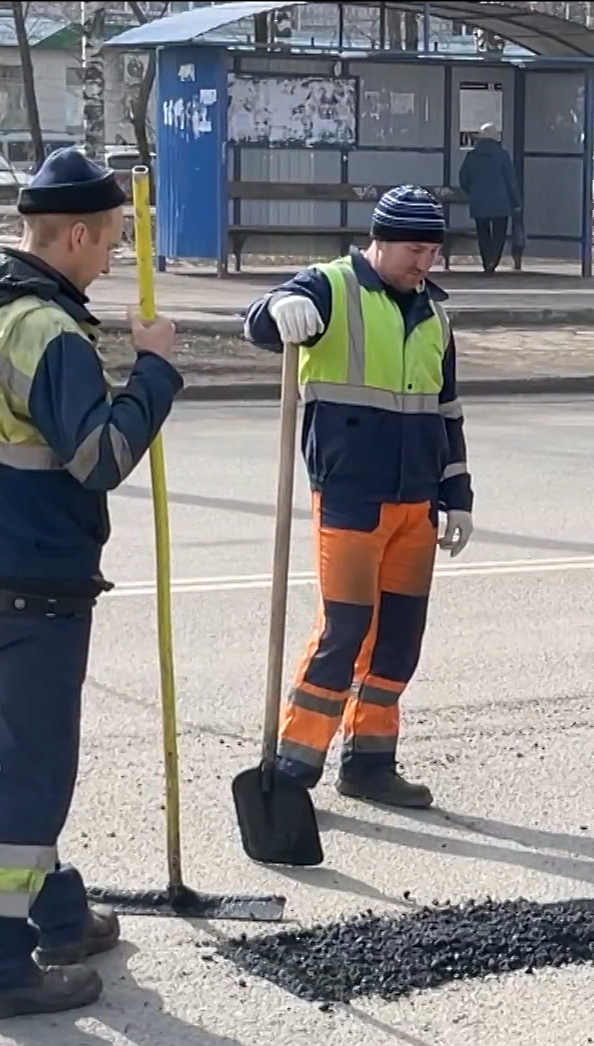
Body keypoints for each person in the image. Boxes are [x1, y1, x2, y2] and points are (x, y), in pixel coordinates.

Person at [0, 147, 186, 1020]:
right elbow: (100, 458)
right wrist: (155, 374)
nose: (111, 260)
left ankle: (56, 912)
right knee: (28, 776)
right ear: (72, 235)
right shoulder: (47, 334)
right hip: (34, 582)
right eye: (109, 241)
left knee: (10, 765)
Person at [241, 184, 474, 811]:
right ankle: (292, 769)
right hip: (350, 499)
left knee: (399, 639)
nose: (424, 263)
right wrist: (279, 309)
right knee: (344, 632)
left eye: (432, 251)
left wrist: (459, 494)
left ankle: (370, 761)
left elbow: (446, 412)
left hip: (417, 506)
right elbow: (260, 322)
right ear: (380, 239)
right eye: (413, 249)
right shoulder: (331, 287)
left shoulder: (435, 315)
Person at [457, 122, 521, 274]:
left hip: (479, 201)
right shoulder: (502, 155)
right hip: (501, 201)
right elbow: (510, 180)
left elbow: (463, 178)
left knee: (483, 233)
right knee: (499, 233)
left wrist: (472, 192)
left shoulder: (472, 155)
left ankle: (487, 261)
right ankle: (494, 259)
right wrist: (516, 201)